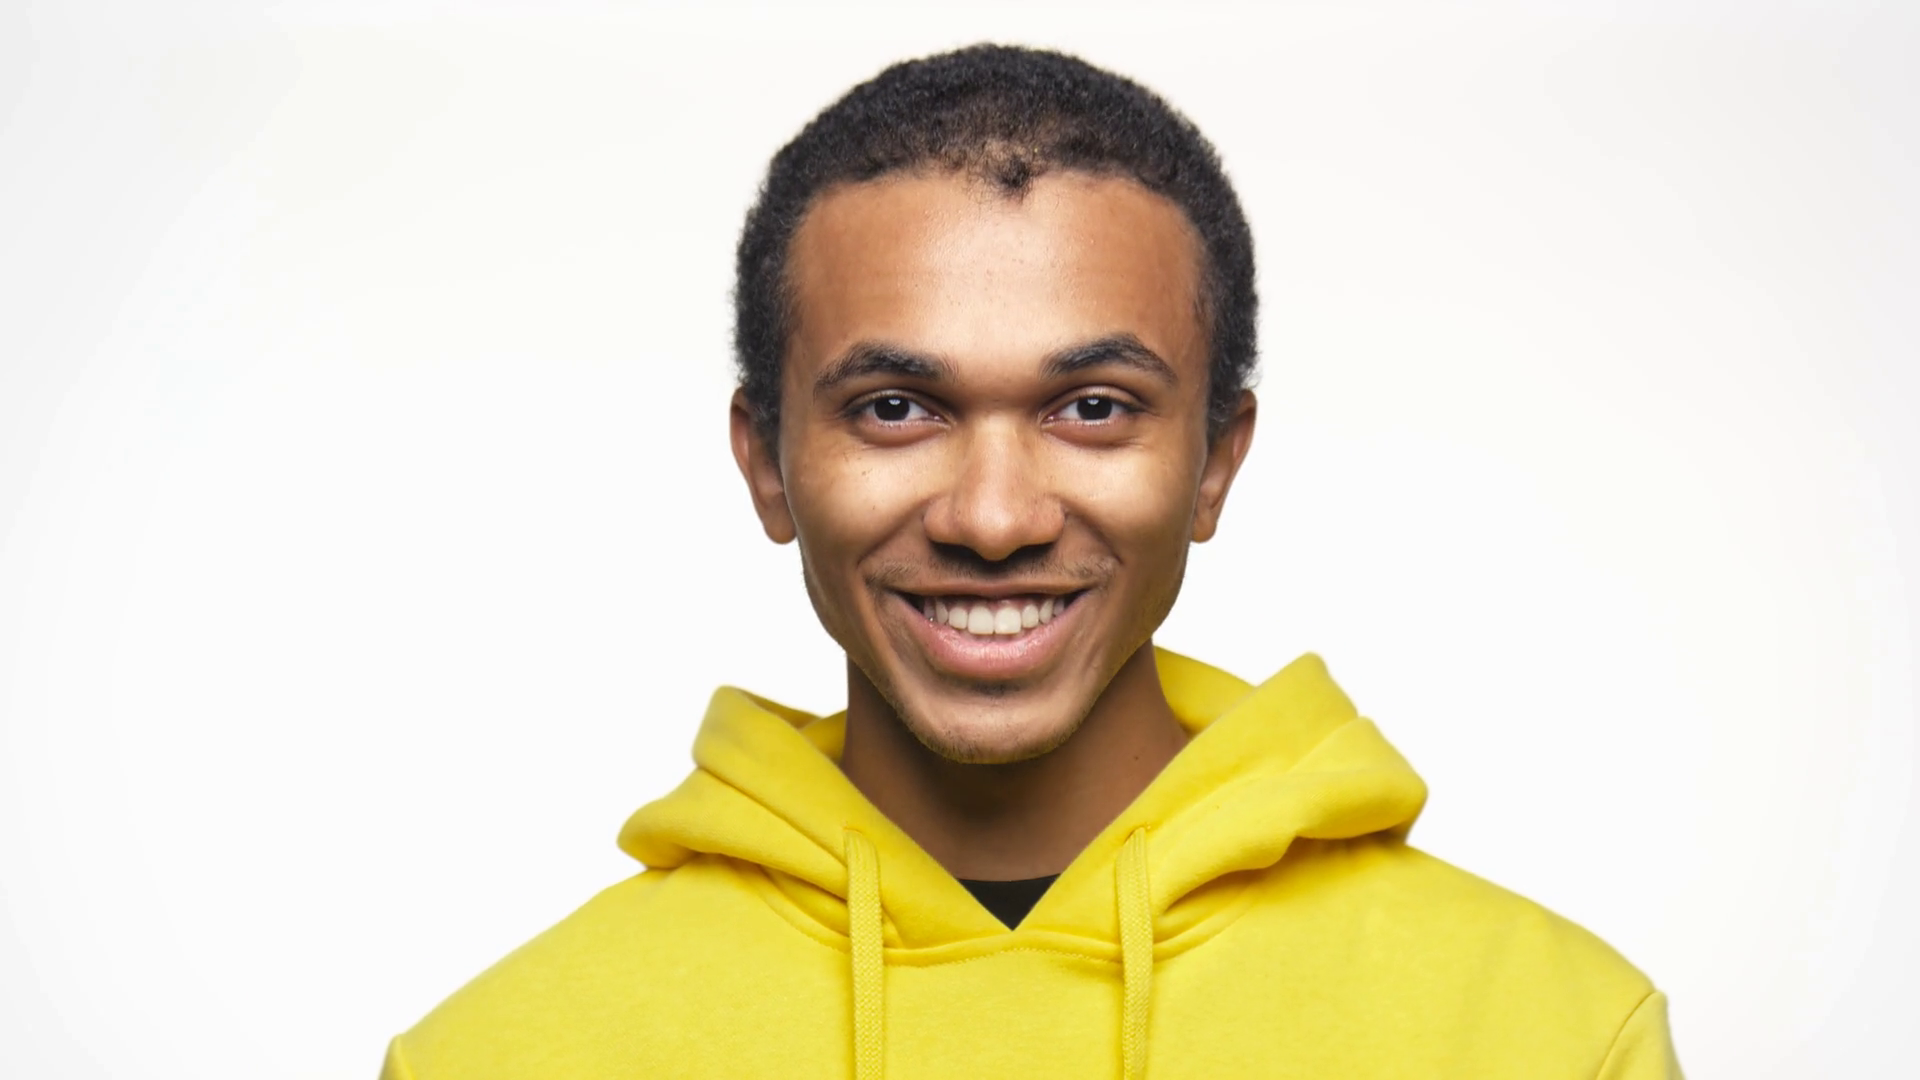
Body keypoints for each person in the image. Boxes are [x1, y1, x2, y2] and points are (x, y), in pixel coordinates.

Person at [381, 43, 1682, 1079]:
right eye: (897, 408)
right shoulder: (494, 1060)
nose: (994, 518)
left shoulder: (1551, 1037)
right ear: (767, 463)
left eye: (1094, 409)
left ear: (1215, 463)